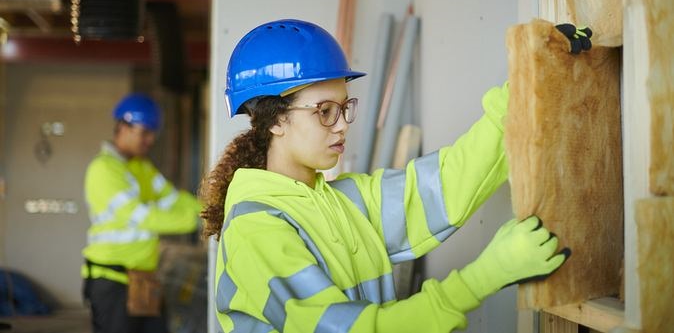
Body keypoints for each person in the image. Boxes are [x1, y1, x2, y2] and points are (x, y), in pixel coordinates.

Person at [201, 19, 590, 332]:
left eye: (344, 107)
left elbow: (445, 185)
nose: (342, 126)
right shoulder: (256, 228)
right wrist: (484, 277)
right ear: (275, 121)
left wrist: (520, 96)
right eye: (324, 112)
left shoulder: (343, 201)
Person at [82, 93, 202, 333]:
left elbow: (173, 199)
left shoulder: (142, 167)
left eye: (153, 133)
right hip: (112, 281)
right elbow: (140, 218)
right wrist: (195, 221)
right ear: (122, 127)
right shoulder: (103, 170)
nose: (150, 140)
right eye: (144, 132)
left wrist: (209, 210)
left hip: (143, 279)